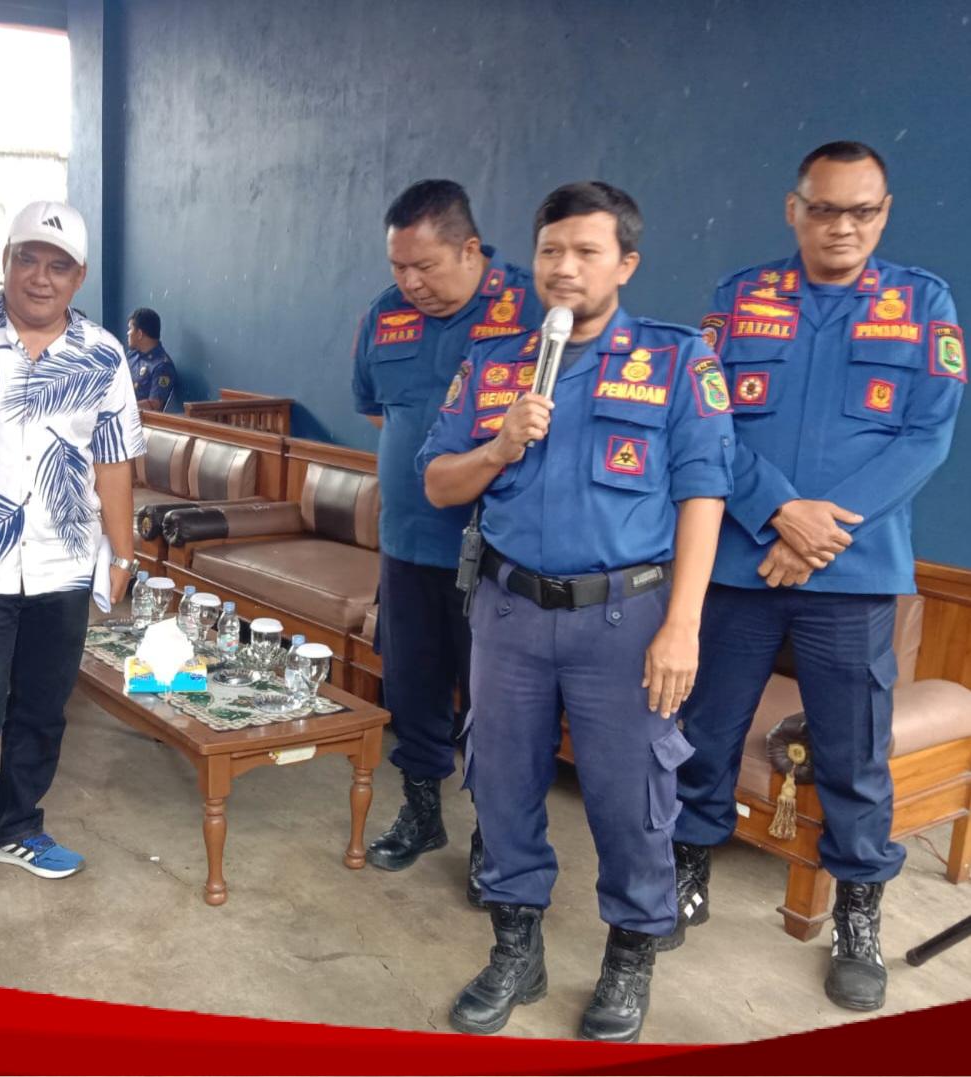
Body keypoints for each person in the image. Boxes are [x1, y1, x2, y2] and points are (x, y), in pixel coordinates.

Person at [419, 181, 734, 1042]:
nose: (563, 267)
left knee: (632, 799)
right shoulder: (493, 364)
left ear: (624, 263)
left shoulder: (677, 361)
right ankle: (515, 950)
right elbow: (437, 482)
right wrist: (498, 443)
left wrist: (682, 625)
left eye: (586, 251)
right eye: (550, 250)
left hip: (624, 621)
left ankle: (628, 956)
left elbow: (704, 494)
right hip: (508, 613)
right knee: (501, 784)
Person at [671, 142, 965, 1011]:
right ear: (793, 209)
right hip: (741, 560)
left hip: (851, 569)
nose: (843, 227)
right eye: (825, 208)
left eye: (861, 211)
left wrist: (817, 530)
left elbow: (926, 436)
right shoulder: (739, 298)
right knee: (704, 729)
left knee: (852, 750)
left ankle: (857, 913)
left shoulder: (922, 303)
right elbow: (710, 421)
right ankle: (684, 868)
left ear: (884, 212)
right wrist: (777, 513)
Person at [0, 200, 145, 950]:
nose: (41, 277)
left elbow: (114, 461)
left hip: (64, 563)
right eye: (27, 259)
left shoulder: (103, 354)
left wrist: (121, 554)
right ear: (6, 260)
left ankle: (18, 825)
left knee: (42, 711)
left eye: (58, 265)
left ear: (80, 276)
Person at [351, 179, 540, 891]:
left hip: (500, 551)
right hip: (407, 542)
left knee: (497, 705)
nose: (410, 283)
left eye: (424, 266)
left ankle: (497, 835)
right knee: (412, 686)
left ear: (470, 249)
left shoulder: (531, 308)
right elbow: (380, 412)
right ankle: (422, 811)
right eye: (398, 266)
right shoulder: (384, 315)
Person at [126, 307, 176, 410]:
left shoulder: (162, 366)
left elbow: (155, 405)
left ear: (139, 334)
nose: (128, 333)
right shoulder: (131, 356)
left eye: (130, 329)